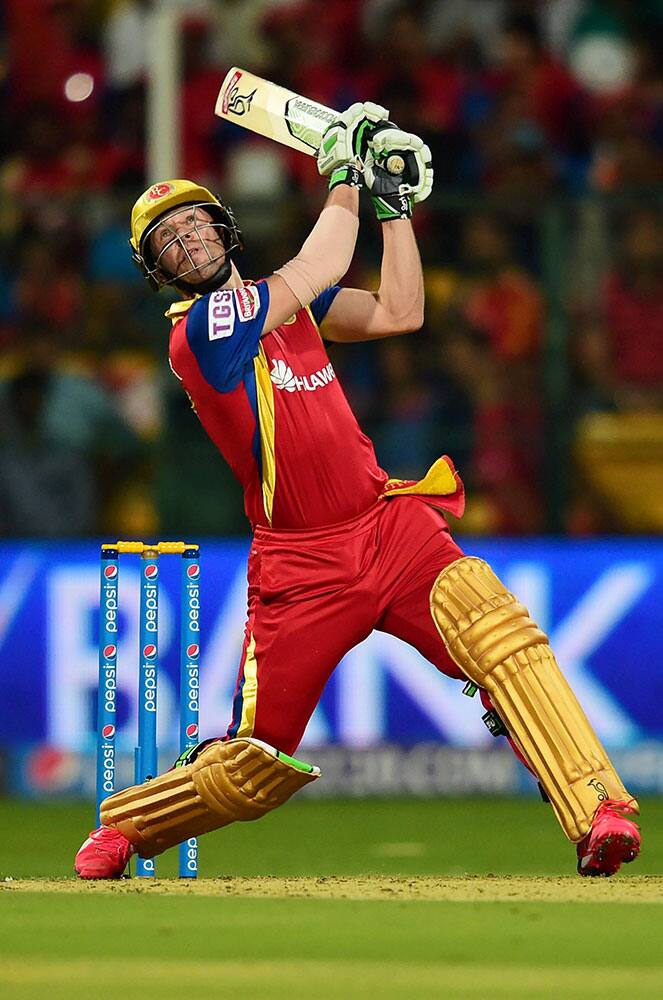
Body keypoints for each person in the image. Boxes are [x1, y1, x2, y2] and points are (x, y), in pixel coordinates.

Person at [75, 102, 640, 880]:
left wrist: (393, 208)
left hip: (386, 525)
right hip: (302, 565)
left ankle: (597, 814)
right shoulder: (201, 328)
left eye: (194, 224)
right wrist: (344, 173)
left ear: (222, 228)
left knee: (500, 635)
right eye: (168, 241)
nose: (187, 241)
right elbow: (316, 270)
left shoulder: (287, 302)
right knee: (254, 765)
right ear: (160, 270)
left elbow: (398, 311)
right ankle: (128, 826)